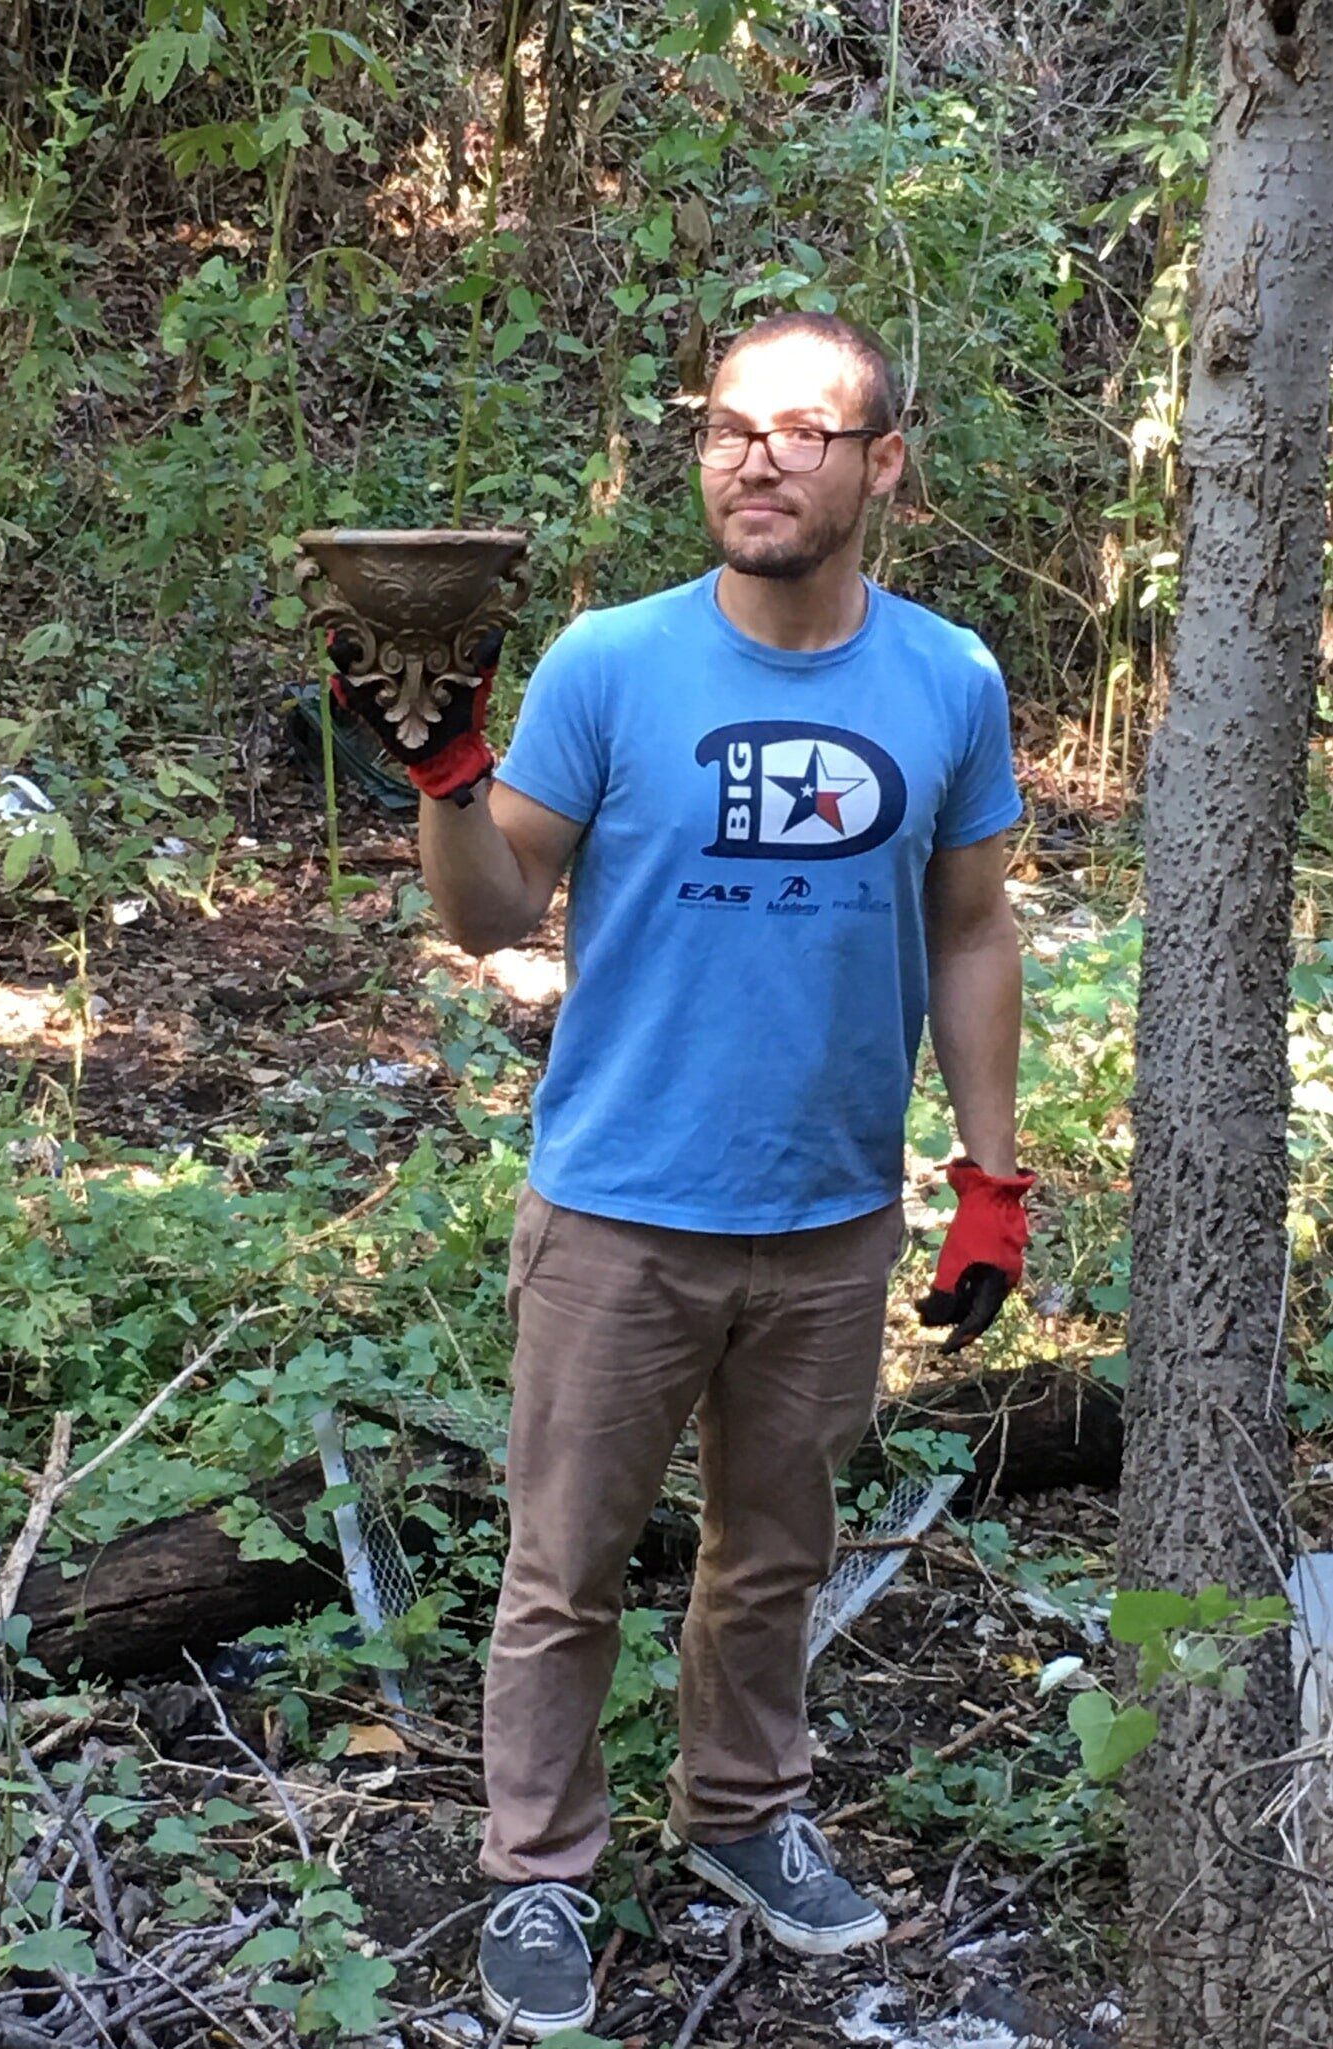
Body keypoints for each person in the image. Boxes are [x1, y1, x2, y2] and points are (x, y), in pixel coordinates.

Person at [332, 311, 1034, 2040]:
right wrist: (441, 771)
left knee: (770, 1551)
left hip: (827, 1217)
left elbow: (969, 926)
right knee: (563, 1567)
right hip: (620, 1208)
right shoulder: (608, 661)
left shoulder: (943, 679)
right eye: (731, 427)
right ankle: (536, 1868)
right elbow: (490, 912)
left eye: (806, 429)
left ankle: (737, 1814)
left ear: (881, 464)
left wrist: (990, 1176)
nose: (758, 456)